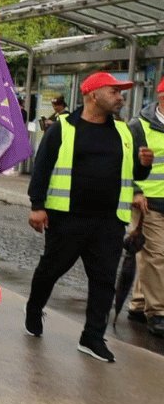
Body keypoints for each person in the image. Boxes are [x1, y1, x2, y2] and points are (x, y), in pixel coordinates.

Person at [25, 72, 148, 362]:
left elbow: (132, 174)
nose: (121, 97)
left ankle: (92, 337)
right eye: (114, 91)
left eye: (121, 92)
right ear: (93, 95)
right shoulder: (63, 128)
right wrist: (37, 205)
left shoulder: (124, 132)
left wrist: (143, 167)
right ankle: (34, 308)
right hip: (68, 218)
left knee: (104, 279)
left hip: (109, 220)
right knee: (50, 269)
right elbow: (42, 166)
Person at [129, 78, 164, 335]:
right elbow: (124, 162)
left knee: (150, 255)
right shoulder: (138, 126)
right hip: (148, 202)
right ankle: (159, 312)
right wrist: (135, 191)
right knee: (158, 256)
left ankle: (139, 303)